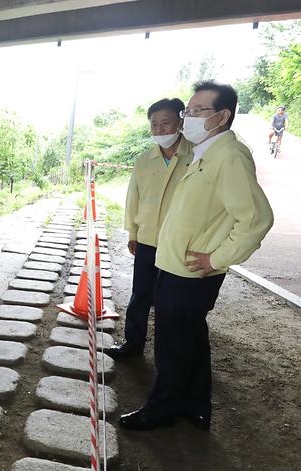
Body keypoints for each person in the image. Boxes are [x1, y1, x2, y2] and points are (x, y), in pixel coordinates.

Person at [119, 80, 274, 432]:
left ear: (222, 116)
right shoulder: (207, 151)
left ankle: (159, 411)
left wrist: (218, 258)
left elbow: (256, 218)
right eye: (188, 110)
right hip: (175, 265)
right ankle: (195, 406)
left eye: (197, 111)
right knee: (191, 339)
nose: (188, 117)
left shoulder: (229, 156)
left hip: (190, 271)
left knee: (171, 345)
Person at [107, 98, 192, 360]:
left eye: (165, 122)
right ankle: (133, 344)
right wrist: (133, 233)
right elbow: (133, 199)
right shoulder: (144, 160)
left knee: (175, 301)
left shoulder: (197, 155)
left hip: (181, 242)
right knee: (140, 293)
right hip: (147, 239)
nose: (160, 129)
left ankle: (173, 353)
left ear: (181, 121)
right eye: (154, 124)